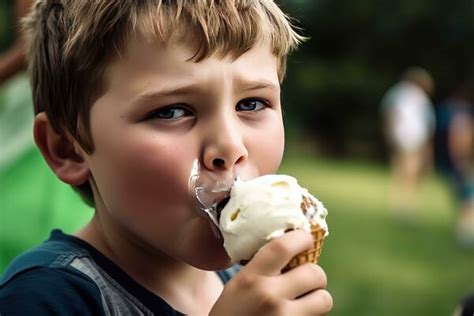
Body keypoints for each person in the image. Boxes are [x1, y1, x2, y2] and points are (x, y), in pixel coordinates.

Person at [0, 1, 333, 315]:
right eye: (172, 111)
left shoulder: (250, 284)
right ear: (68, 149)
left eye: (252, 104)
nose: (231, 147)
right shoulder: (42, 298)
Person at [381, 67, 436, 219]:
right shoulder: (415, 96)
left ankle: (400, 205)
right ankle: (405, 207)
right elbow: (427, 122)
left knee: (401, 171)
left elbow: (388, 113)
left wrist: (390, 134)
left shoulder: (398, 93)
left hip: (403, 138)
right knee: (409, 173)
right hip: (411, 139)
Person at [436, 81, 474, 247]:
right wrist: (461, 161)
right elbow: (459, 139)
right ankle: (465, 233)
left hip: (458, 162)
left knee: (465, 197)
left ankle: (465, 231)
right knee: (468, 197)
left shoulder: (455, 112)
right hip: (463, 163)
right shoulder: (462, 115)